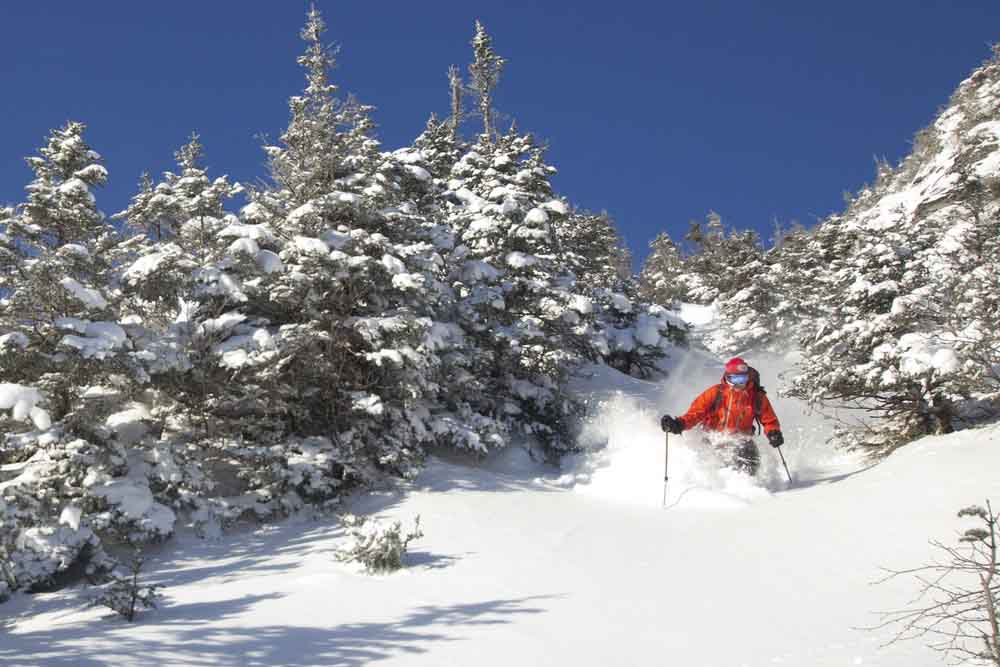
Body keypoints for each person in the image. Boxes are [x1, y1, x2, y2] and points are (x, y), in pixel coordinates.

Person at [660, 357, 784, 476]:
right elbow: (695, 413)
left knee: (750, 458)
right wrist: (678, 424)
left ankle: (750, 487)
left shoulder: (756, 396)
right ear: (728, 377)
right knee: (711, 462)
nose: (741, 383)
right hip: (713, 437)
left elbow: (769, 419)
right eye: (736, 379)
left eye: (743, 379)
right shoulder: (716, 393)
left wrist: (773, 432)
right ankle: (714, 489)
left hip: (742, 440)